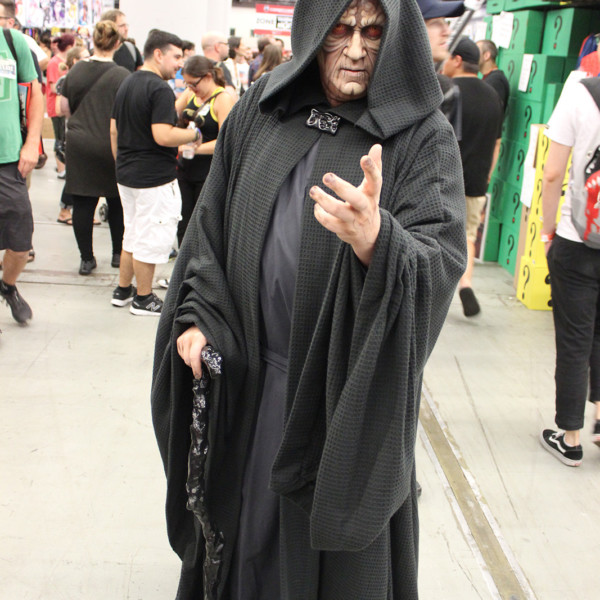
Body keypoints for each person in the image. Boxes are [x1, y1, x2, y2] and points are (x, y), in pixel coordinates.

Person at [151, 0, 467, 597]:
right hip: (248, 388)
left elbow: (441, 257)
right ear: (316, 29)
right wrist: (198, 315)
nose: (356, 49)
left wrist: (377, 241)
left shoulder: (422, 135)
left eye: (373, 32)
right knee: (240, 552)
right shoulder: (263, 109)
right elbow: (209, 230)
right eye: (341, 29)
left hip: (338, 401)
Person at [110, 29, 200, 316]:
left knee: (133, 234)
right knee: (150, 237)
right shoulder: (159, 89)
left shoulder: (128, 82)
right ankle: (144, 297)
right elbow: (163, 135)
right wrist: (193, 135)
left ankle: (123, 290)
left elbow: (114, 130)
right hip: (153, 178)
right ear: (158, 54)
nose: (180, 64)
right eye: (176, 57)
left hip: (127, 174)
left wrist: (121, 162)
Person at [539, 72, 600, 467]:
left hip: (577, 238)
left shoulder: (579, 92)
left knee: (575, 338)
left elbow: (552, 173)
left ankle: (571, 438)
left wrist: (547, 231)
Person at [60, 20, 129, 275]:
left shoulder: (76, 70)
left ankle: (86, 259)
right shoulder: (123, 76)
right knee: (117, 201)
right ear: (117, 43)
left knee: (83, 202)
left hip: (80, 143)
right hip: (111, 144)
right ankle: (118, 254)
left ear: (93, 41)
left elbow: (63, 108)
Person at [443, 37, 502, 317]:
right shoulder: (492, 95)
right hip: (476, 181)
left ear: (457, 60)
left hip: (443, 180)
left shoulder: (446, 90)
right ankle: (465, 284)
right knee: (468, 235)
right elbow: (497, 143)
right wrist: (487, 175)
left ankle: (436, 291)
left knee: (436, 234)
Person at [0, 0, 44, 324]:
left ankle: (8, 285)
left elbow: (36, 94)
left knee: (20, 243)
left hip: (9, 159)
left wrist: (31, 143)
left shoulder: (13, 44)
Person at [175, 56, 235, 247]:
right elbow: (171, 114)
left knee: (202, 224)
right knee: (183, 221)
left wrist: (195, 148)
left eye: (194, 84)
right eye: (187, 84)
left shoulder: (222, 99)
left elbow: (225, 142)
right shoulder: (190, 94)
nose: (191, 88)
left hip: (207, 172)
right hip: (185, 169)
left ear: (208, 76)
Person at [417, 0, 464, 139]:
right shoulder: (373, 85)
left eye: (445, 21)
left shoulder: (445, 90)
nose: (447, 32)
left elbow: (448, 148)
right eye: (435, 22)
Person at [46, 32, 75, 179]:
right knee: (59, 137)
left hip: (65, 104)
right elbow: (53, 87)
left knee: (65, 136)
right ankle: (61, 168)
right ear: (69, 47)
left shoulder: (65, 62)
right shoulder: (54, 63)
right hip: (55, 105)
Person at [477, 39, 509, 113]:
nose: (473, 56)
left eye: (476, 52)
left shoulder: (496, 80)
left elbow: (491, 111)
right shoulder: (489, 78)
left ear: (486, 55)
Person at [200, 31, 236, 97]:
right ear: (217, 47)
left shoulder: (196, 67)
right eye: (226, 44)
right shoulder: (220, 68)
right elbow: (231, 96)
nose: (228, 48)